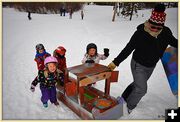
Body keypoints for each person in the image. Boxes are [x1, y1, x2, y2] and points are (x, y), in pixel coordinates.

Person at [108, 4, 178, 114]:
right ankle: (128, 108)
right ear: (149, 22)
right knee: (141, 89)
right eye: (152, 26)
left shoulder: (166, 33)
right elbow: (128, 48)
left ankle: (123, 98)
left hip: (151, 66)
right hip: (138, 65)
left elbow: (175, 43)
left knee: (137, 84)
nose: (154, 29)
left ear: (162, 26)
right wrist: (115, 62)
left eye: (158, 28)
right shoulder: (141, 33)